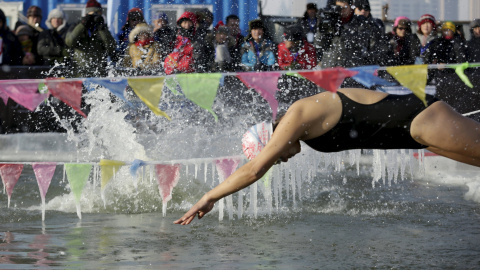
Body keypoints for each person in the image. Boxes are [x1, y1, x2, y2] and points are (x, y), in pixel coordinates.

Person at [175, 88, 480, 225]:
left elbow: (255, 169)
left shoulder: (298, 113)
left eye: (278, 156)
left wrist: (209, 197)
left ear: (272, 141)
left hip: (421, 119)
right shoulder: (302, 132)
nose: (283, 160)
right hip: (420, 137)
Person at [314, 0, 385, 68]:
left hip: (353, 70)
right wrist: (322, 27)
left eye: (344, 7)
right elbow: (319, 44)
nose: (341, 10)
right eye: (338, 8)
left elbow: (372, 47)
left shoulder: (361, 23)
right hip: (331, 69)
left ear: (351, 6)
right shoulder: (331, 22)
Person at [65, 0, 117, 77]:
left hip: (99, 73)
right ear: (86, 14)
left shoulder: (103, 28)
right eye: (92, 14)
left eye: (97, 14)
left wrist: (101, 29)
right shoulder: (76, 25)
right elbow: (69, 42)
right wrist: (82, 25)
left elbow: (111, 47)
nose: (94, 17)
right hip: (79, 72)